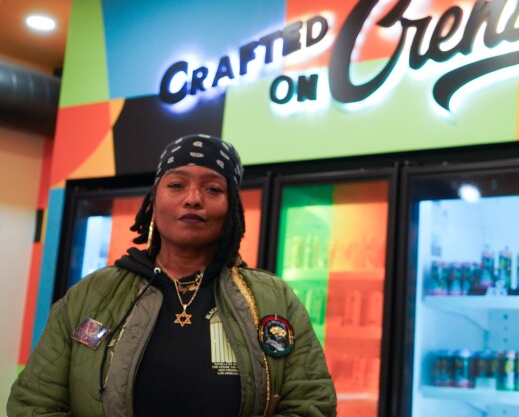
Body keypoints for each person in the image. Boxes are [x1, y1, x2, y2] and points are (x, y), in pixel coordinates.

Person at [8, 134, 337, 416]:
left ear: (231, 208)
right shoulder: (90, 295)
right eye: (177, 185)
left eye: (213, 189)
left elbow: (311, 405)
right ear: (154, 199)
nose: (193, 199)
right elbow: (34, 403)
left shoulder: (274, 301)